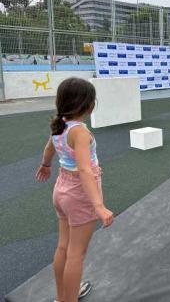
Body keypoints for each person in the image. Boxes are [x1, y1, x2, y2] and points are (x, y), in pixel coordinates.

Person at [35, 78, 114, 302]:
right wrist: (99, 206)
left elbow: (49, 148)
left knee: (63, 247)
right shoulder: (79, 132)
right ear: (87, 105)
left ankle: (62, 297)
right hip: (79, 195)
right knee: (76, 255)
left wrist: (45, 165)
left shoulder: (59, 125)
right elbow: (84, 170)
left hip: (61, 190)